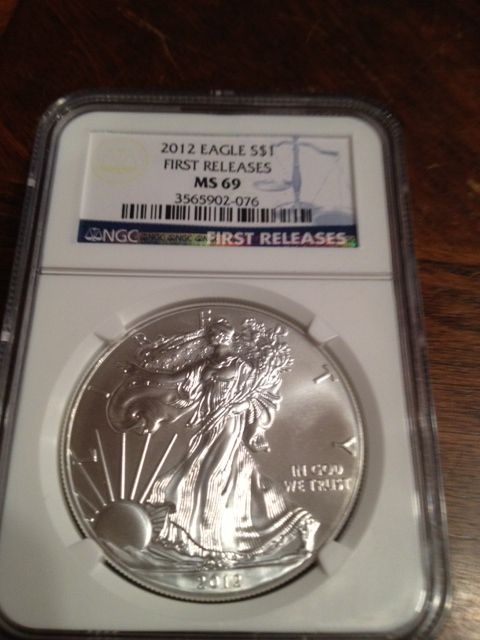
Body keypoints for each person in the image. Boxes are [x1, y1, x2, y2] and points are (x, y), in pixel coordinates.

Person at [108, 314, 320, 568]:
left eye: (222, 335)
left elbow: (254, 397)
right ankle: (209, 540)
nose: (218, 338)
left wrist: (238, 406)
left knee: (212, 474)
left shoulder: (243, 366)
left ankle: (218, 544)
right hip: (209, 423)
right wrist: (145, 376)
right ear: (210, 338)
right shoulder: (204, 365)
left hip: (229, 423)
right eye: (214, 335)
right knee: (207, 474)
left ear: (229, 337)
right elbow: (178, 381)